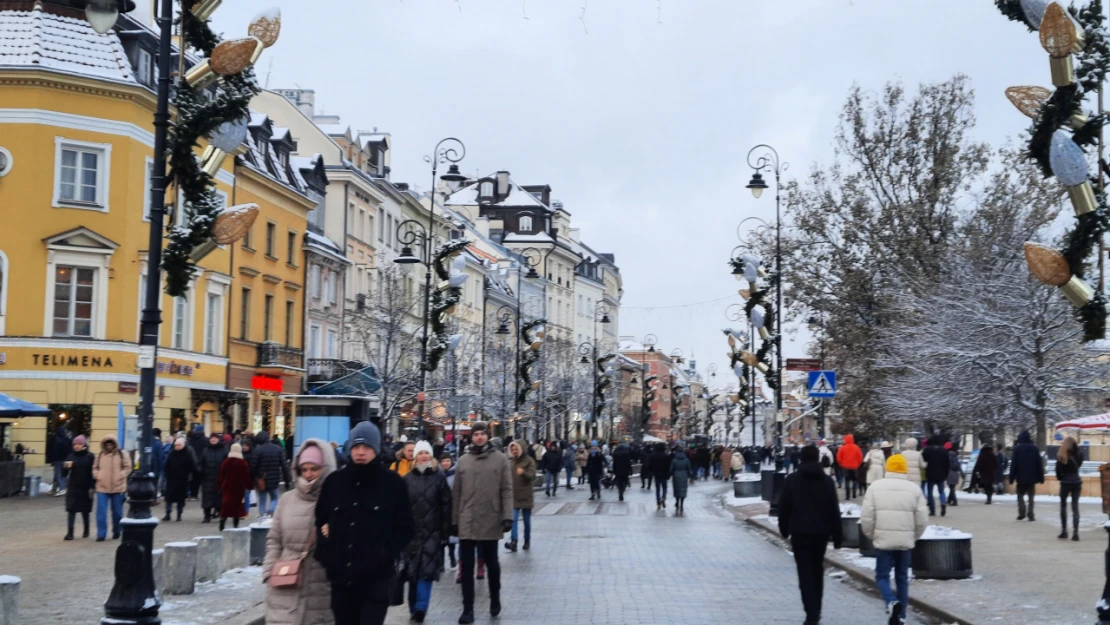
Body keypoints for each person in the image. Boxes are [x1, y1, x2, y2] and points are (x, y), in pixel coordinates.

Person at [316, 422, 414, 625]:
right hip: (342, 578)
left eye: (367, 447)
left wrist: (385, 554)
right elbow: (320, 520)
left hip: (376, 579)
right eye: (356, 447)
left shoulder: (392, 483)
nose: (361, 452)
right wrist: (326, 553)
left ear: (376, 450)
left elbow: (406, 528)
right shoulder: (335, 482)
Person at [263, 439, 337, 625]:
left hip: (321, 586)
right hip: (286, 583)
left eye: (314, 469)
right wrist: (270, 570)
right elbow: (274, 539)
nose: (309, 474)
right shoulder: (287, 499)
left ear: (325, 468)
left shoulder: (336, 499)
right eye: (304, 469)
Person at [452, 421, 513, 624]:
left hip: (490, 517)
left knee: (492, 565)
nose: (479, 437)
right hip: (467, 519)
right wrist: (454, 519)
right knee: (467, 567)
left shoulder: (501, 459)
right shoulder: (463, 461)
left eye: (482, 433)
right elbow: (457, 493)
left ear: (487, 436)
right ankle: (467, 608)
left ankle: (494, 597)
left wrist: (507, 516)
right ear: (471, 437)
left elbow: (506, 489)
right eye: (475, 434)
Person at [778, 445, 842, 625]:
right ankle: (817, 609)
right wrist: (838, 537)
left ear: (801, 459)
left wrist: (784, 528)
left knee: (804, 573)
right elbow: (833, 510)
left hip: (799, 532)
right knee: (817, 571)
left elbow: (784, 507)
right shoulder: (827, 481)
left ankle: (810, 612)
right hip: (821, 533)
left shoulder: (792, 480)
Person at [861, 454, 928, 625]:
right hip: (905, 541)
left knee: (882, 577)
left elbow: (867, 517)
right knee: (902, 578)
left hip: (883, 540)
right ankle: (901, 616)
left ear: (888, 467)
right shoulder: (914, 489)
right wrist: (913, 537)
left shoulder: (875, 487)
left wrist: (872, 535)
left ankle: (891, 601)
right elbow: (922, 519)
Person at [402, 441, 452, 623]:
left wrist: (445, 531)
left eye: (426, 453)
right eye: (420, 453)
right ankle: (413, 607)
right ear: (415, 456)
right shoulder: (407, 479)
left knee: (426, 571)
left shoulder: (439, 478)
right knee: (411, 573)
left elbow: (446, 505)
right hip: (411, 534)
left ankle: (421, 608)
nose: (423, 456)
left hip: (432, 532)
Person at [93, 436, 131, 541]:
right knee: (101, 512)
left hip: (118, 487)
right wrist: (97, 475)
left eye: (111, 444)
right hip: (102, 487)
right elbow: (95, 467)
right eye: (107, 444)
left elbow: (128, 467)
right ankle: (101, 534)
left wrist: (121, 475)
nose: (109, 446)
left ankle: (117, 531)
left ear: (114, 444)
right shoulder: (100, 455)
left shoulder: (122, 454)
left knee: (117, 512)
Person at [505, 440, 535, 553]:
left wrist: (523, 473)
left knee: (526, 522)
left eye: (516, 449)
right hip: (514, 495)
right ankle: (514, 542)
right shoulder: (511, 462)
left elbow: (532, 476)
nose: (514, 451)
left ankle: (527, 541)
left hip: (526, 495)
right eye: (512, 449)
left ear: (521, 449)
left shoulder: (529, 461)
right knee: (514, 520)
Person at [62, 435, 94, 540]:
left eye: (79, 444)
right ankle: (70, 533)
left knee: (85, 510)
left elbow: (92, 473)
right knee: (71, 509)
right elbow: (63, 474)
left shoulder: (90, 457)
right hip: (73, 487)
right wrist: (65, 467)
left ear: (84, 445)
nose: (76, 446)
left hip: (86, 487)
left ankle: (86, 530)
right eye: (75, 444)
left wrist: (92, 486)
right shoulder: (70, 456)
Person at [254, 431, 291, 518]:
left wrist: (254, 477)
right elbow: (284, 466)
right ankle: (270, 511)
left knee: (262, 499)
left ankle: (262, 516)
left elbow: (253, 466)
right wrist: (287, 480)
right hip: (274, 479)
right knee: (274, 498)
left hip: (261, 479)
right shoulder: (278, 449)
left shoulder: (258, 450)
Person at [1009, 430, 1044, 521]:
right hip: (1032, 478)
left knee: (1020, 495)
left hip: (1021, 477)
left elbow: (1013, 464)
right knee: (1031, 496)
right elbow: (1039, 464)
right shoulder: (1034, 448)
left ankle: (1022, 512)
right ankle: (1031, 514)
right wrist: (1041, 477)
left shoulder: (1017, 449)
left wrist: (1011, 477)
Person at [218, 443, 252, 530]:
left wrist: (219, 486)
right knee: (237, 506)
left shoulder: (225, 462)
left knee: (226, 505)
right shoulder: (243, 463)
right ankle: (235, 525)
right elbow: (246, 476)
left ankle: (222, 520)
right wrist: (249, 485)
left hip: (227, 486)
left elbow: (221, 475)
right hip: (239, 487)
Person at [1056, 436, 1083, 541]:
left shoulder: (1061, 455)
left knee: (1063, 506)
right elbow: (1079, 465)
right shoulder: (1079, 454)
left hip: (1065, 483)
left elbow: (1058, 473)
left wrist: (1063, 475)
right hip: (1077, 482)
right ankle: (1075, 533)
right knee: (1075, 507)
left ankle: (1064, 531)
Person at [163, 437, 196, 521]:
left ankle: (179, 514)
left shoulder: (187, 454)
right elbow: (166, 466)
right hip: (171, 479)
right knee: (168, 498)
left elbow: (191, 466)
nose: (177, 446)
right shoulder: (171, 453)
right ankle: (168, 513)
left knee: (180, 499)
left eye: (179, 445)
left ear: (183, 445)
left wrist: (187, 475)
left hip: (182, 480)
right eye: (176, 445)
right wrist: (167, 476)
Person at [199, 433, 228, 523]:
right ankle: (207, 516)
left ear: (218, 439)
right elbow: (200, 463)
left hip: (220, 478)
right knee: (207, 498)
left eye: (215, 438)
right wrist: (201, 470)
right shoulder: (205, 450)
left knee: (220, 498)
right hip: (207, 478)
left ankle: (221, 514)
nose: (213, 440)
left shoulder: (224, 450)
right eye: (212, 438)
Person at [921, 434, 950, 517]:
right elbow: (947, 463)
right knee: (941, 491)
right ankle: (943, 504)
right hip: (941, 474)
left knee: (930, 492)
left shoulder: (927, 450)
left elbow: (923, 461)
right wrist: (946, 474)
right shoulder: (944, 450)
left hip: (930, 473)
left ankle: (932, 510)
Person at [440, 455, 458, 569]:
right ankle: (441, 562)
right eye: (443, 461)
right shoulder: (437, 475)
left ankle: (452, 556)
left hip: (452, 509)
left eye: (448, 461)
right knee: (441, 538)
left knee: (452, 536)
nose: (446, 463)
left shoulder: (456, 475)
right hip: (440, 510)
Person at [836, 434, 863, 500]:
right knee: (855, 480)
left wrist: (841, 464)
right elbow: (860, 458)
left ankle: (847, 496)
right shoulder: (856, 448)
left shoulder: (842, 448)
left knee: (847, 481)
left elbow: (838, 458)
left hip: (845, 467)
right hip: (854, 467)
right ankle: (854, 494)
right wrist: (858, 464)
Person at [669, 443, 693, 514]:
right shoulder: (686, 460)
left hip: (676, 475)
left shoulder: (674, 460)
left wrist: (670, 474)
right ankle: (682, 504)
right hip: (684, 475)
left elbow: (671, 469)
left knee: (677, 489)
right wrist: (690, 476)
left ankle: (677, 501)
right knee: (683, 490)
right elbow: (689, 468)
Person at [51, 425, 72, 496]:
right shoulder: (68, 440)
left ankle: (62, 488)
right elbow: (71, 450)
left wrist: (53, 460)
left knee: (58, 474)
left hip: (58, 460)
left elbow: (54, 451)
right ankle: (56, 489)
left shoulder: (57, 440)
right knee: (64, 474)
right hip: (67, 460)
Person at [649, 442, 671, 509]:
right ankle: (663, 497)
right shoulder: (666, 455)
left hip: (656, 474)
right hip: (664, 474)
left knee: (658, 489)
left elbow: (650, 465)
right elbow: (668, 466)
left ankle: (658, 502)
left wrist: (652, 471)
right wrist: (668, 474)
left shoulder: (653, 455)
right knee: (664, 487)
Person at [945, 443, 964, 507]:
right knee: (952, 487)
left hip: (949, 473)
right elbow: (959, 466)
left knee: (951, 488)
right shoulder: (955, 457)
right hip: (955, 473)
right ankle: (949, 499)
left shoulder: (947, 456)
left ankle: (955, 501)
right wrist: (962, 473)